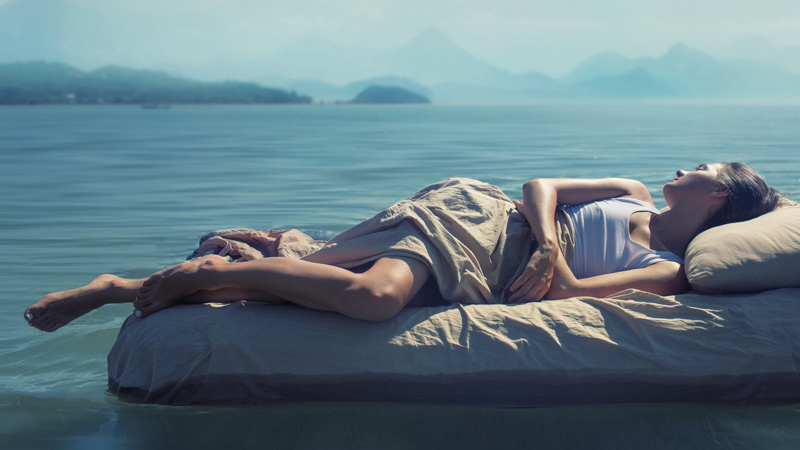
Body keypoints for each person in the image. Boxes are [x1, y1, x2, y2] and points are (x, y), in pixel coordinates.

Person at [24, 162, 783, 332]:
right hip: (480, 215)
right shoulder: (629, 192)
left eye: (701, 170)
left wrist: (551, 273)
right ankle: (156, 281)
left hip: (492, 268)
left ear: (719, 197)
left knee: (341, 284)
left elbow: (574, 300)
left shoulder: (674, 272)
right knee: (370, 294)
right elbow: (538, 186)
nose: (680, 168)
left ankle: (146, 283)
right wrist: (550, 245)